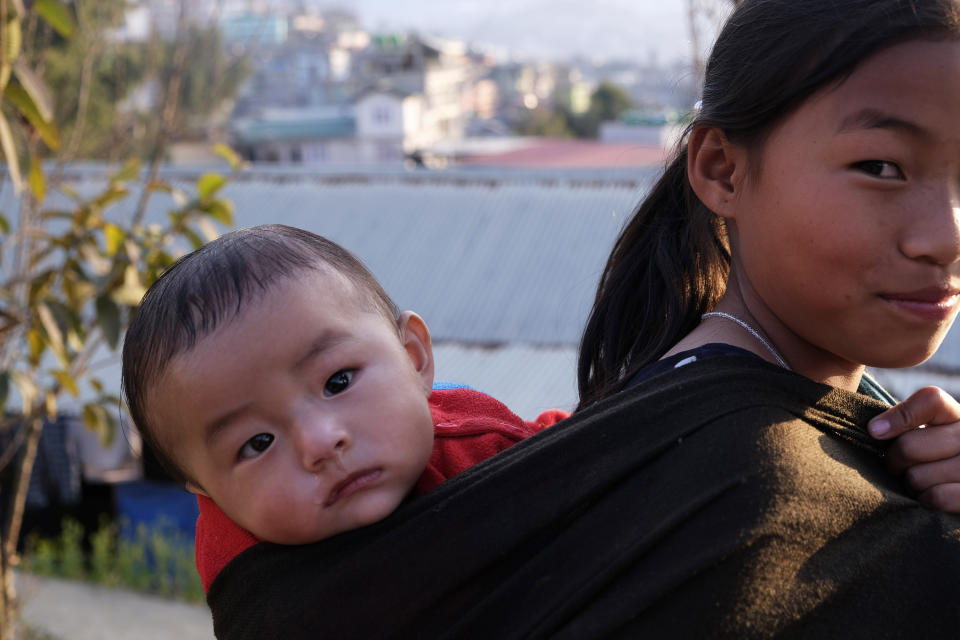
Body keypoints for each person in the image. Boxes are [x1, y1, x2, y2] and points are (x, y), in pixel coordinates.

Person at [119, 225, 566, 592]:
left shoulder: (484, 442)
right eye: (258, 443)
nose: (320, 443)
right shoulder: (245, 576)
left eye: (338, 382)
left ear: (413, 356)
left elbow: (578, 453)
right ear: (204, 490)